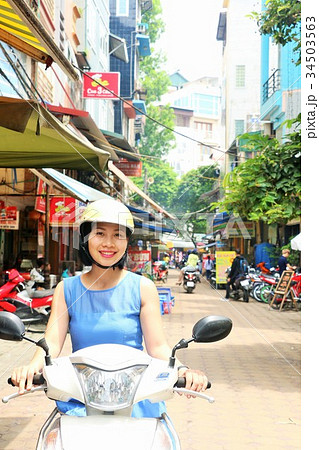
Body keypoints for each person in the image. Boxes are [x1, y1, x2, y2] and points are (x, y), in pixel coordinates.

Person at [11, 198, 208, 418]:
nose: (108, 243)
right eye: (100, 233)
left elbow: (158, 347)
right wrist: (31, 367)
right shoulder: (66, 289)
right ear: (86, 239)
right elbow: (52, 342)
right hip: (82, 399)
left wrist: (183, 370)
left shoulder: (143, 287)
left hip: (134, 399)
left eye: (118, 235)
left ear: (126, 242)